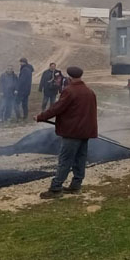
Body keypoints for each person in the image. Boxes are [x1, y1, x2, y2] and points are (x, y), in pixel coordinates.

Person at [35, 66, 98, 198]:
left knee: (65, 160)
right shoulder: (89, 91)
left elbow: (57, 108)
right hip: (85, 132)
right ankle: (76, 186)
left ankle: (56, 188)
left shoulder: (69, 91)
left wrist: (40, 117)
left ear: (69, 77)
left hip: (72, 132)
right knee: (80, 159)